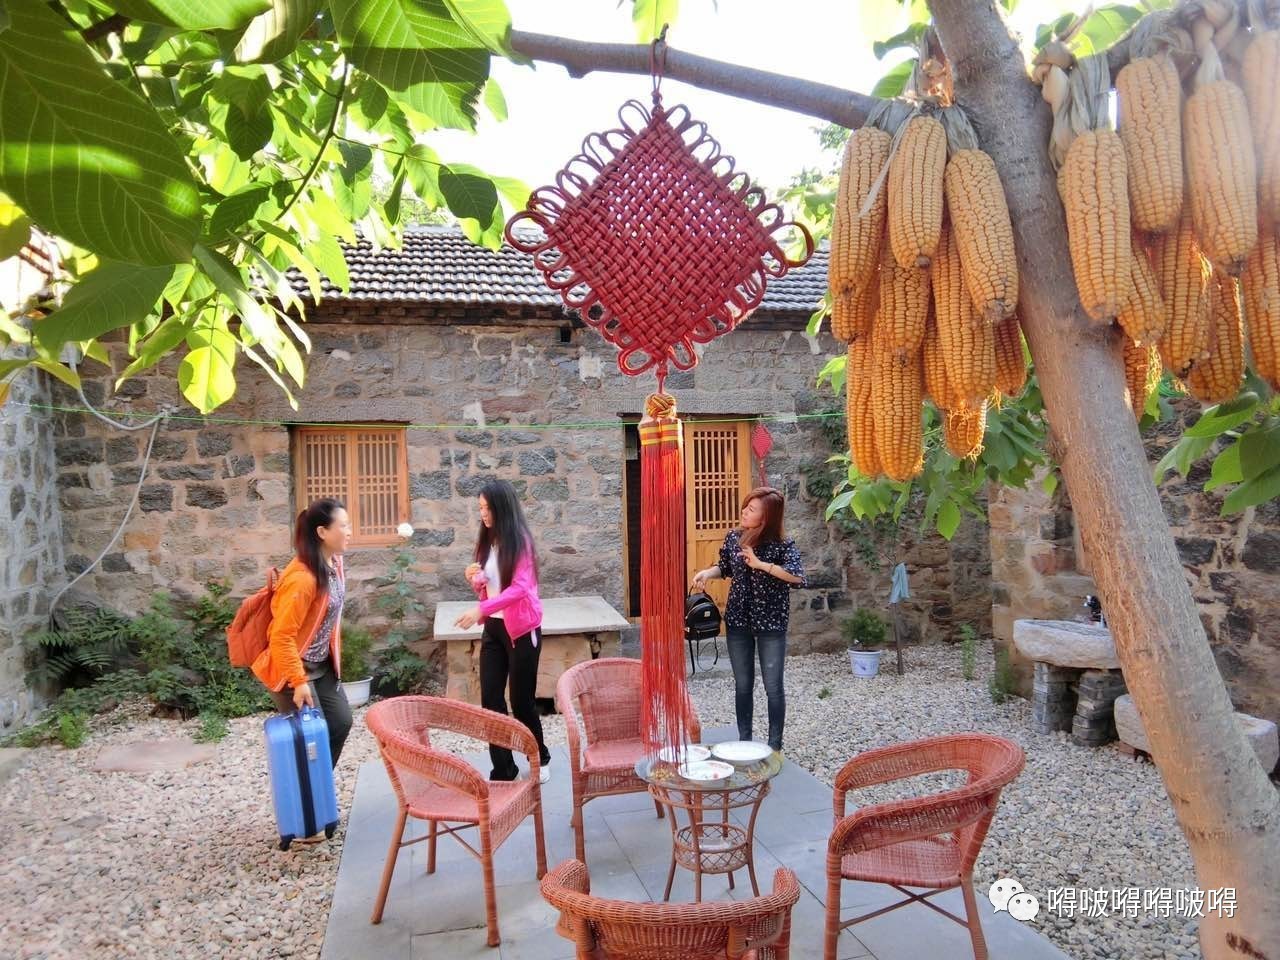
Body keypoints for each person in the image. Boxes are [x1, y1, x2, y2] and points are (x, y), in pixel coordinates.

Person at [692, 487, 806, 752]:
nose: (744, 511)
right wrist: (708, 573)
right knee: (743, 685)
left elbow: (798, 578)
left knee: (773, 687)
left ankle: (774, 747)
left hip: (771, 622)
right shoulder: (734, 537)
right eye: (746, 506)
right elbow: (725, 567)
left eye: (751, 509)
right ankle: (745, 742)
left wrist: (761, 564)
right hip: (738, 620)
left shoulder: (783, 544)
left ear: (767, 517)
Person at [453, 480, 551, 784]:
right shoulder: (487, 540)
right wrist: (475, 577)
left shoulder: (521, 542)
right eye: (480, 508)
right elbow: (487, 583)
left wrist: (480, 609)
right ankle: (504, 770)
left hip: (522, 630)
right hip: (494, 629)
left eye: (487, 508)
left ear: (502, 507)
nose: (483, 513)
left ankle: (540, 757)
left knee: (521, 702)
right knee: (491, 701)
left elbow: (521, 588)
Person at [254, 498, 354, 767]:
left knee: (341, 722)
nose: (349, 531)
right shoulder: (302, 579)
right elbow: (281, 637)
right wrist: (298, 681)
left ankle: (318, 784)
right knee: (312, 741)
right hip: (293, 671)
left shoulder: (334, 563)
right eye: (343, 526)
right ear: (322, 532)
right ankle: (306, 790)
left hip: (321, 666)